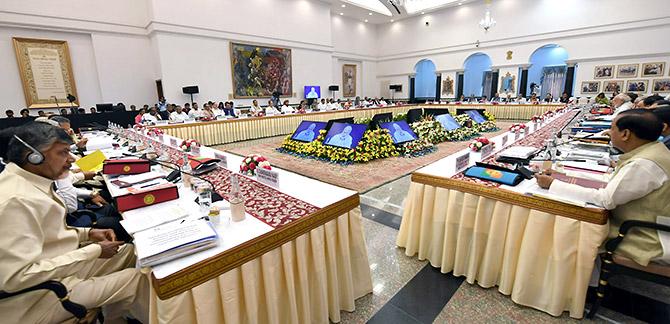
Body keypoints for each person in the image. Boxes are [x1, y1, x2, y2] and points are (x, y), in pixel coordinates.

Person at [0, 122, 149, 323]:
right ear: (33, 157)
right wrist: (94, 251)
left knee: (129, 253)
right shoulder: (15, 201)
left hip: (55, 269)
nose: (71, 159)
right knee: (139, 279)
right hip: (36, 298)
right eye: (63, 153)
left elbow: (48, 233)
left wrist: (87, 234)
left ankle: (115, 317)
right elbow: (16, 278)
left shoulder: (30, 181)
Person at [535, 109, 670, 266]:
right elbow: (612, 181)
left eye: (612, 128)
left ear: (625, 134)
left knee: (566, 229)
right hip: (641, 224)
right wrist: (562, 175)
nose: (608, 132)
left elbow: (605, 199)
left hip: (643, 236)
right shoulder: (654, 150)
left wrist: (553, 184)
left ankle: (570, 278)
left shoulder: (644, 164)